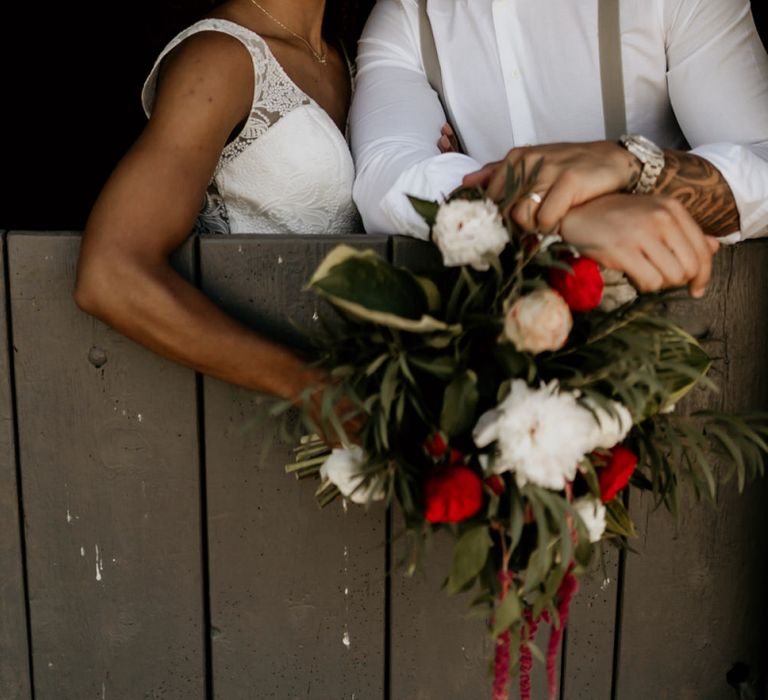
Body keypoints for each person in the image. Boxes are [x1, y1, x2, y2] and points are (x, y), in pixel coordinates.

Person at [75, 0, 376, 416]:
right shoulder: (220, 57)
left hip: (370, 401)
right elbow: (110, 273)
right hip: (238, 418)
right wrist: (308, 386)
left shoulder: (361, 55)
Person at [350, 0, 768, 297]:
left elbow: (762, 160)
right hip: (494, 353)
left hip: (690, 333)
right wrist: (570, 210)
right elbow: (386, 174)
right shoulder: (406, 14)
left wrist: (633, 166)